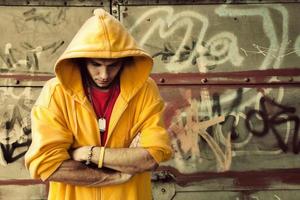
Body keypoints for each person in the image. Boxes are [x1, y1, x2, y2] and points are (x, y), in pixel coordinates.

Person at [25, 8, 172, 200]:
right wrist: (118, 174)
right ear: (82, 61)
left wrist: (87, 153)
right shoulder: (56, 93)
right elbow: (45, 165)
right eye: (96, 64)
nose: (104, 75)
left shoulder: (145, 90)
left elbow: (151, 157)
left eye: (112, 66)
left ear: (124, 62)